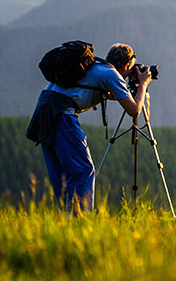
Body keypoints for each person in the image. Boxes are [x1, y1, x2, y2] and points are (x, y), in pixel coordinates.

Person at [27, 43, 151, 211]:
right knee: (83, 170)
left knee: (61, 175)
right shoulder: (111, 74)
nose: (128, 76)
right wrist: (143, 83)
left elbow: (83, 90)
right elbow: (134, 110)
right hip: (61, 112)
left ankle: (64, 221)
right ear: (125, 66)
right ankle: (81, 221)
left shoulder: (95, 66)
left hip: (43, 110)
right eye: (129, 73)